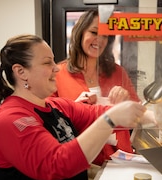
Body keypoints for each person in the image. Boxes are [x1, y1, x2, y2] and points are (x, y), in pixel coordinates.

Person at [0, 34, 154, 180]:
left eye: (53, 61)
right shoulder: (10, 119)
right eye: (47, 62)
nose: (57, 68)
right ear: (21, 71)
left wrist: (159, 118)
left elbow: (98, 113)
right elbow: (57, 164)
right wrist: (110, 118)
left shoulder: (56, 106)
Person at [52, 9, 141, 166]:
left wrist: (126, 101)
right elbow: (50, 121)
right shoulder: (58, 74)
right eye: (94, 32)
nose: (99, 39)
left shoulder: (117, 72)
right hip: (79, 161)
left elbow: (138, 117)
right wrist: (75, 108)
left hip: (118, 159)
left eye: (105, 35)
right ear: (80, 33)